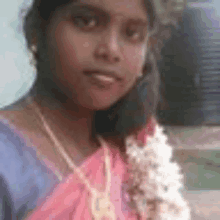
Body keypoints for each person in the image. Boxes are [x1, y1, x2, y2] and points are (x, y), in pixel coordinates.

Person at [0, 0, 191, 219]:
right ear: (36, 31)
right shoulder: (7, 160)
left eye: (132, 34)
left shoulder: (135, 153)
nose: (111, 50)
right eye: (86, 22)